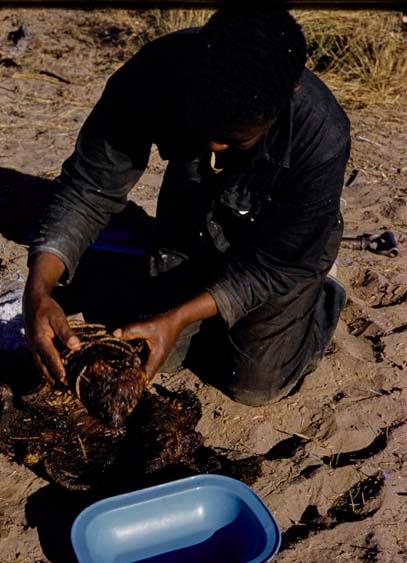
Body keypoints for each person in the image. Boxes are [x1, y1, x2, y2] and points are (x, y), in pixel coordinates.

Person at [23, 6, 350, 407]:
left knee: (253, 384)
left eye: (233, 141)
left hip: (283, 249)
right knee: (162, 353)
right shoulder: (156, 72)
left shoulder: (321, 136)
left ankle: (320, 294)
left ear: (289, 97)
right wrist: (38, 290)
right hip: (194, 217)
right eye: (203, 127)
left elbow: (276, 265)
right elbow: (89, 187)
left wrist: (178, 317)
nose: (213, 147)